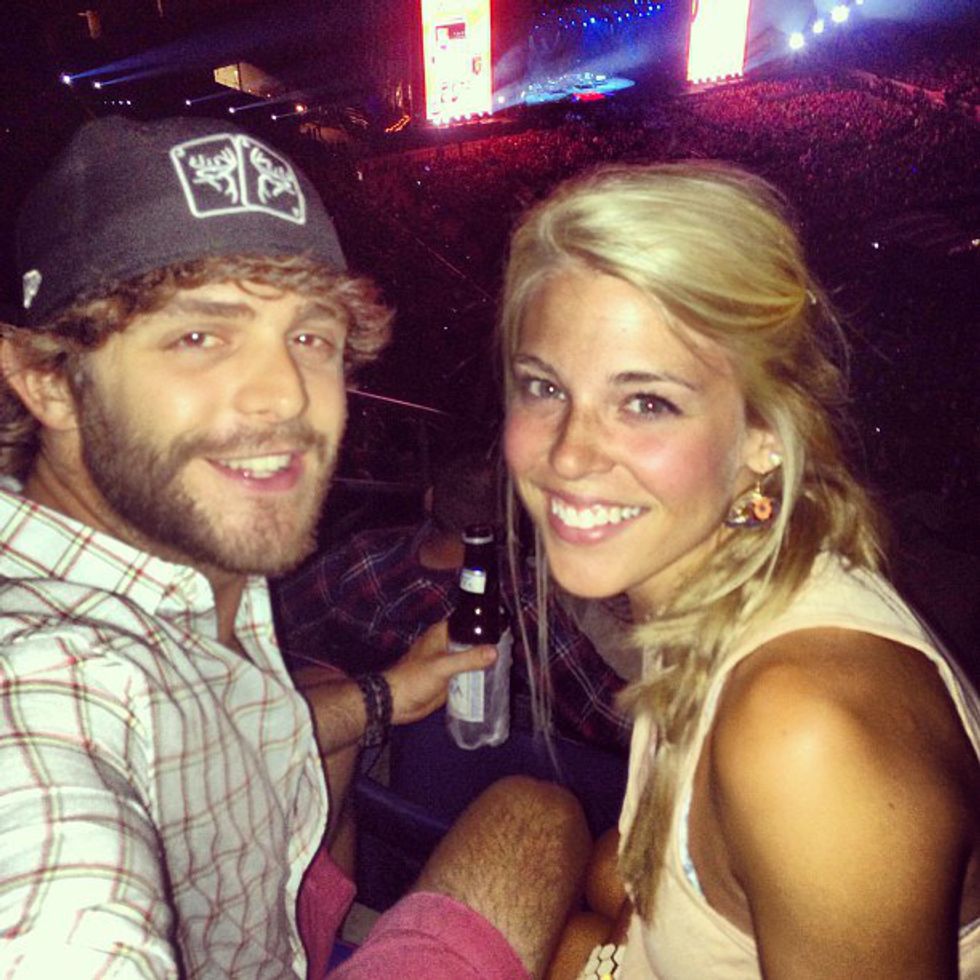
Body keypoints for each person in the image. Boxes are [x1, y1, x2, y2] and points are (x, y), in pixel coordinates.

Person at [0, 114, 590, 979]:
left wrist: (388, 696)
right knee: (542, 826)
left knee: (535, 816)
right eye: (200, 336)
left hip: (274, 919)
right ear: (47, 380)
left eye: (311, 337)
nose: (285, 395)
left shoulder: (191, 558)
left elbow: (220, 729)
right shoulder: (39, 682)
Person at [497, 161, 980, 978]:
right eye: (544, 387)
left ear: (764, 434)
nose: (569, 454)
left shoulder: (805, 735)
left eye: (646, 401)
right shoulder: (713, 579)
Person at [276, 446, 632, 753]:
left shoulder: (363, 555)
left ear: (429, 499)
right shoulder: (514, 600)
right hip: (447, 757)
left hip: (350, 751)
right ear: (505, 524)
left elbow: (279, 621)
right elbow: (597, 709)